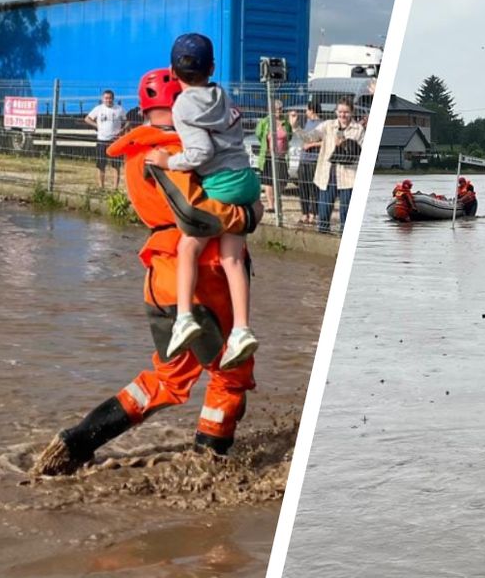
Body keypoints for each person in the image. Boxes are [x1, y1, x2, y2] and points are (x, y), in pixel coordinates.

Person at [29, 67, 262, 477]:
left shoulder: (136, 153)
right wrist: (248, 214)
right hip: (205, 279)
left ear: (142, 108)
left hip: (160, 280)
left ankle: (76, 441)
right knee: (230, 370)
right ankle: (212, 463)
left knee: (168, 379)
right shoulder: (176, 153)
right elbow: (198, 215)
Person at [144, 34, 261, 370]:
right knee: (232, 258)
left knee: (188, 248)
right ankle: (241, 329)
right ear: (212, 67)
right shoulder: (220, 94)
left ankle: (183, 318)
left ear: (172, 69)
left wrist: (168, 161)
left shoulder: (182, 105)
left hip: (220, 184)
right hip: (246, 180)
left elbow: (201, 153)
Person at [298, 95, 364, 233]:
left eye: (346, 112)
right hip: (327, 175)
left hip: (348, 175)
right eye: (340, 111)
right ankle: (323, 234)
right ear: (336, 112)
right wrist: (295, 127)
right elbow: (310, 137)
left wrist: (344, 144)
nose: (342, 115)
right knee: (324, 211)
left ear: (351, 112)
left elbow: (360, 152)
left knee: (346, 211)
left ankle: (343, 236)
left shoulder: (358, 129)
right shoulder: (328, 125)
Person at [85, 89, 127, 189]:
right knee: (101, 165)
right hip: (101, 140)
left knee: (116, 165)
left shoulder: (119, 109)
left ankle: (115, 188)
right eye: (106, 98)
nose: (108, 100)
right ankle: (101, 187)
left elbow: (127, 121)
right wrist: (97, 126)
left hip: (115, 141)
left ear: (113, 98)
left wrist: (123, 129)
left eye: (110, 98)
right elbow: (87, 119)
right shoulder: (98, 109)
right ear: (102, 99)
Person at [255, 99, 291, 214]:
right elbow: (259, 134)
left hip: (281, 157)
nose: (278, 112)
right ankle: (271, 205)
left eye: (280, 109)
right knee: (268, 181)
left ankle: (277, 200)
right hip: (268, 156)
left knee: (282, 180)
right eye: (275, 110)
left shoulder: (286, 122)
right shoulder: (265, 122)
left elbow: (289, 136)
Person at [290, 100, 323, 224]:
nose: (306, 112)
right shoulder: (308, 123)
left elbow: (325, 142)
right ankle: (304, 214)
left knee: (313, 189)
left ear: (312, 110)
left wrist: (312, 144)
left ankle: (313, 214)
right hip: (303, 160)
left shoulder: (321, 125)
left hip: (314, 161)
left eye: (307, 110)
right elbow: (304, 137)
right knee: (303, 188)